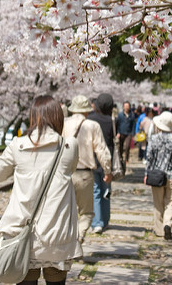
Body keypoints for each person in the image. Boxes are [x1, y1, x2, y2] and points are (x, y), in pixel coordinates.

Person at [0, 95, 82, 285]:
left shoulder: (17, 146)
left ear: (33, 117)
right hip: (57, 236)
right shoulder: (69, 146)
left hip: (22, 237)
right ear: (58, 118)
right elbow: (70, 170)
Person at [62, 95, 113, 243]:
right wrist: (108, 171)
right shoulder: (92, 125)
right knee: (86, 213)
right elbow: (102, 151)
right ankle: (78, 237)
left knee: (65, 212)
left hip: (64, 174)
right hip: (84, 174)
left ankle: (65, 243)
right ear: (86, 110)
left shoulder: (63, 124)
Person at [145, 111, 172, 240]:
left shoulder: (153, 139)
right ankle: (167, 223)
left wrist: (147, 173)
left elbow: (149, 158)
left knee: (158, 203)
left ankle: (159, 231)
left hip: (157, 175)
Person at [87, 93, 115, 234]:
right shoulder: (111, 121)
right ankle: (106, 219)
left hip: (93, 159)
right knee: (106, 191)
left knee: (96, 191)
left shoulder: (90, 119)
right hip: (107, 160)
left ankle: (97, 222)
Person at [115, 101, 136, 166]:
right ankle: (120, 157)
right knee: (120, 147)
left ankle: (126, 158)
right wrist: (117, 132)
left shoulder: (132, 115)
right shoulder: (120, 115)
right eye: (125, 106)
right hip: (121, 132)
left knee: (127, 146)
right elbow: (117, 124)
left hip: (128, 133)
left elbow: (133, 125)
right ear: (123, 107)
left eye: (128, 106)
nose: (126, 108)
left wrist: (133, 133)